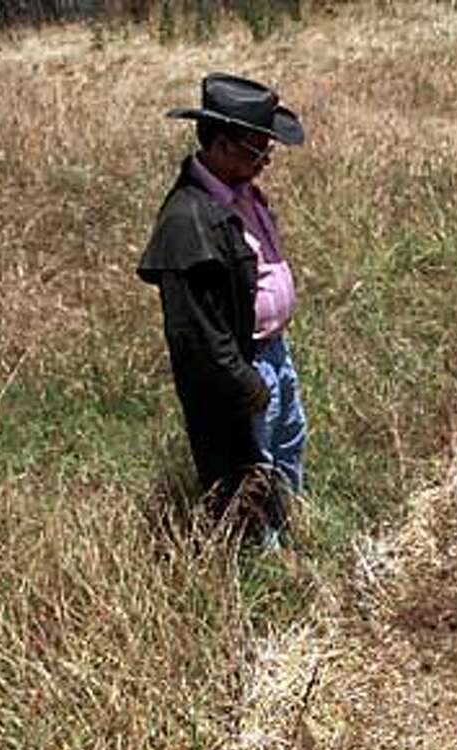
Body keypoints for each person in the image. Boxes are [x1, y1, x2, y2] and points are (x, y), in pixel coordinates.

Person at [137, 73, 306, 549]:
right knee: (251, 469)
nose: (268, 158)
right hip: (243, 370)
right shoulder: (187, 221)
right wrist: (247, 385)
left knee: (286, 447)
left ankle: (293, 530)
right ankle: (265, 563)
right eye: (258, 148)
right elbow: (197, 337)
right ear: (223, 145)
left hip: (274, 353)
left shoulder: (241, 190)